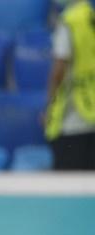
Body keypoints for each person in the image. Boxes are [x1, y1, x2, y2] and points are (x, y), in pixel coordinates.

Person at [45, 0, 95, 170]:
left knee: (69, 187)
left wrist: (49, 109)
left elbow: (59, 70)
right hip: (91, 112)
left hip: (73, 119)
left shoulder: (70, 21)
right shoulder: (90, 16)